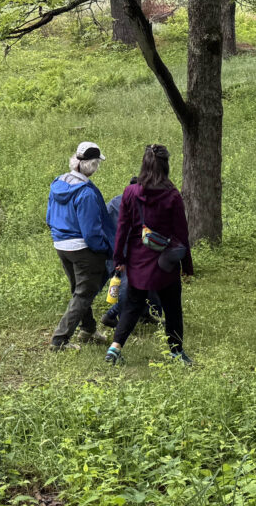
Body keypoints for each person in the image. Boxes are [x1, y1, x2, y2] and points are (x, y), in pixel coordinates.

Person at [105, 145, 192, 367]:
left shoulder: (130, 192)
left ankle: (114, 348)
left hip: (137, 262)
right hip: (165, 264)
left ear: (144, 165)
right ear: (166, 166)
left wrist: (119, 260)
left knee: (132, 306)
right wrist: (187, 265)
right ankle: (176, 352)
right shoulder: (172, 195)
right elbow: (181, 233)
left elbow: (122, 229)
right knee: (172, 308)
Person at [46, 141, 115, 349]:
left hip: (61, 245)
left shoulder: (58, 183)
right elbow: (91, 232)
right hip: (82, 248)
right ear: (92, 165)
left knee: (78, 289)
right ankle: (59, 340)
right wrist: (104, 248)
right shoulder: (86, 193)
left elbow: (49, 217)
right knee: (83, 294)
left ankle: (88, 330)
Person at [100, 182, 162, 330]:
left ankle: (144, 314)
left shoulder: (130, 203)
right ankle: (115, 318)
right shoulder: (119, 206)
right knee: (129, 288)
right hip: (123, 254)